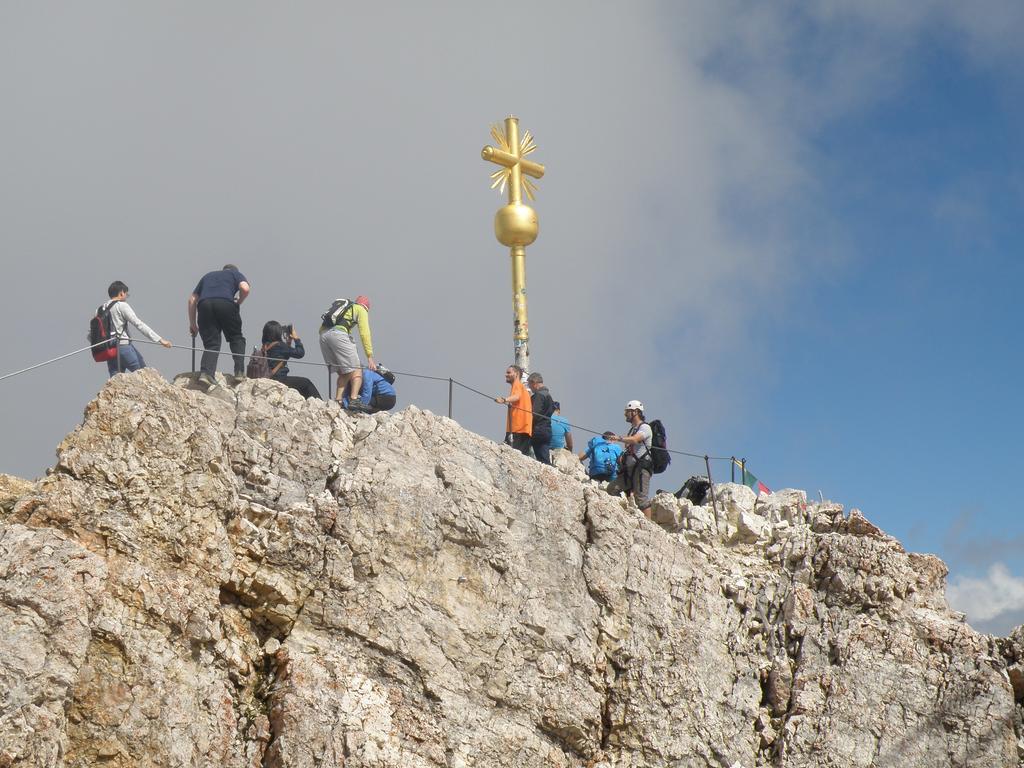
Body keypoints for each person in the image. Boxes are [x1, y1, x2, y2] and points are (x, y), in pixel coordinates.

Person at [187, 265, 250, 386]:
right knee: (236, 337)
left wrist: (193, 324)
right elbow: (245, 288)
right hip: (226, 303)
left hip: (204, 305)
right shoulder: (235, 274)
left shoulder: (208, 276)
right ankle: (239, 372)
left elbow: (192, 300)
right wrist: (239, 302)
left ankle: (206, 374)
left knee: (212, 344)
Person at [101, 281, 172, 377]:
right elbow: (139, 324)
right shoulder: (122, 305)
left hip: (109, 350)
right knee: (144, 375)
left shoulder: (100, 309)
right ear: (121, 293)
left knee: (115, 379)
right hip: (123, 347)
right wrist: (160, 340)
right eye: (126, 294)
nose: (126, 297)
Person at [319, 295, 376, 412]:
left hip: (323, 335)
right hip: (338, 335)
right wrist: (369, 356)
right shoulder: (361, 310)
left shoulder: (347, 309)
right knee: (356, 368)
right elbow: (365, 333)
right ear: (366, 307)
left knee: (344, 372)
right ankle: (354, 399)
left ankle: (338, 401)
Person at [611, 400, 654, 519]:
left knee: (641, 500)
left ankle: (650, 527)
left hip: (641, 469)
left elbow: (635, 440)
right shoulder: (633, 429)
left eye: (628, 412)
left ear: (635, 412)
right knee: (612, 489)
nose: (626, 414)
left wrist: (619, 438)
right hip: (630, 470)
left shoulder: (645, 428)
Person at [259, 321, 322, 399]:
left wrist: (289, 342)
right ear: (278, 332)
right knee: (306, 383)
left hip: (269, 377)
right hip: (279, 379)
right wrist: (296, 339)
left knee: (300, 387)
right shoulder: (280, 345)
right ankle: (320, 403)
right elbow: (300, 353)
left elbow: (282, 358)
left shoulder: (265, 347)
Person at [494, 365, 531, 455]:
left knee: (511, 454)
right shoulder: (521, 387)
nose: (506, 375)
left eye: (509, 372)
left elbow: (517, 396)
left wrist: (504, 400)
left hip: (517, 429)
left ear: (516, 374)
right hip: (523, 428)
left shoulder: (517, 385)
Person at [526, 372, 555, 465]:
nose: (530, 387)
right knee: (544, 457)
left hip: (538, 430)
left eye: (530, 384)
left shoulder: (539, 395)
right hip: (547, 429)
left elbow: (534, 414)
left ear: (534, 382)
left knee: (542, 459)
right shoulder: (548, 395)